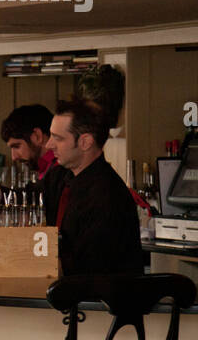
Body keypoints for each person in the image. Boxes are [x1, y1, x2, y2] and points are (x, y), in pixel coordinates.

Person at [43, 97, 143, 275]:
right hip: (68, 292)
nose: (48, 145)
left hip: (100, 298)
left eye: (57, 138)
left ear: (85, 142)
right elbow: (16, 200)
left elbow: (88, 268)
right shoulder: (59, 176)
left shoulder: (108, 196)